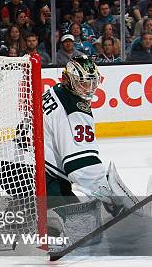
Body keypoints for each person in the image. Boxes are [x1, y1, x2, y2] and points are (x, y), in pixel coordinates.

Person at [41, 56, 136, 211]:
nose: (89, 88)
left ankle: (19, 212)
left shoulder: (56, 91)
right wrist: (105, 191)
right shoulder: (75, 109)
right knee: (72, 219)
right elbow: (80, 162)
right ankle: (20, 219)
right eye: (83, 83)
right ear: (68, 79)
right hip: (34, 172)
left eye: (93, 82)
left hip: (17, 163)